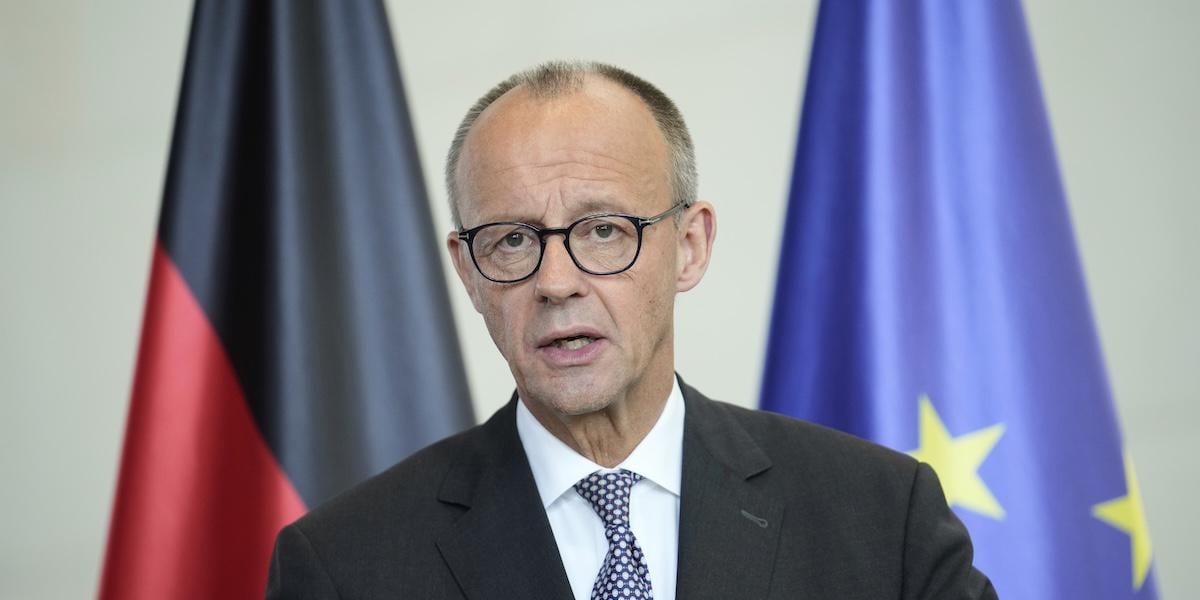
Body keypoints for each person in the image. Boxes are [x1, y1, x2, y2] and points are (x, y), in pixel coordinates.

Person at [266, 61, 997, 600]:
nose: (557, 282)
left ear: (690, 246)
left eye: (604, 230)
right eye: (513, 240)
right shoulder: (344, 566)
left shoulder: (880, 517)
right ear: (468, 271)